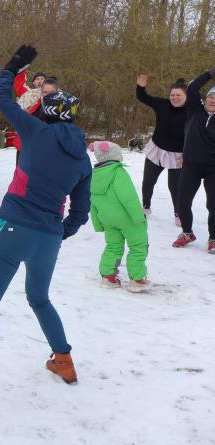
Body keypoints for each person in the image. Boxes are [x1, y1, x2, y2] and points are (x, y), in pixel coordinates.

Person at [0, 44, 91, 400]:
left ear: (47, 112)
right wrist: (61, 233)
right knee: (39, 298)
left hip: (13, 227)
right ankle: (64, 360)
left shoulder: (36, 131)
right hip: (48, 237)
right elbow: (80, 212)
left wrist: (12, 67)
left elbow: (0, 97)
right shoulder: (83, 159)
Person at [88, 141, 150, 292]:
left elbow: (92, 201)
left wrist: (98, 223)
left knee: (113, 246)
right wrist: (139, 217)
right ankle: (137, 280)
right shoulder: (118, 172)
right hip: (128, 218)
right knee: (138, 246)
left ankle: (108, 277)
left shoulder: (94, 176)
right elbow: (128, 197)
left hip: (108, 220)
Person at [173, 66, 215, 252]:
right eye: (210, 96)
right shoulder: (195, 111)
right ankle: (187, 232)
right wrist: (209, 74)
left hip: (213, 168)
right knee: (182, 202)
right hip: (191, 165)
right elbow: (192, 88)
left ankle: (213, 238)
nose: (212, 100)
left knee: (213, 205)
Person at [135, 74, 187, 223]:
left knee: (175, 187)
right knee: (148, 181)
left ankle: (178, 213)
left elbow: (195, 136)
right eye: (172, 95)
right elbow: (143, 97)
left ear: (186, 96)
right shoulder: (162, 104)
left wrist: (187, 155)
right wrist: (141, 87)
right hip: (157, 150)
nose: (175, 98)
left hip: (178, 155)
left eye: (178, 95)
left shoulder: (193, 111)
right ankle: (145, 206)